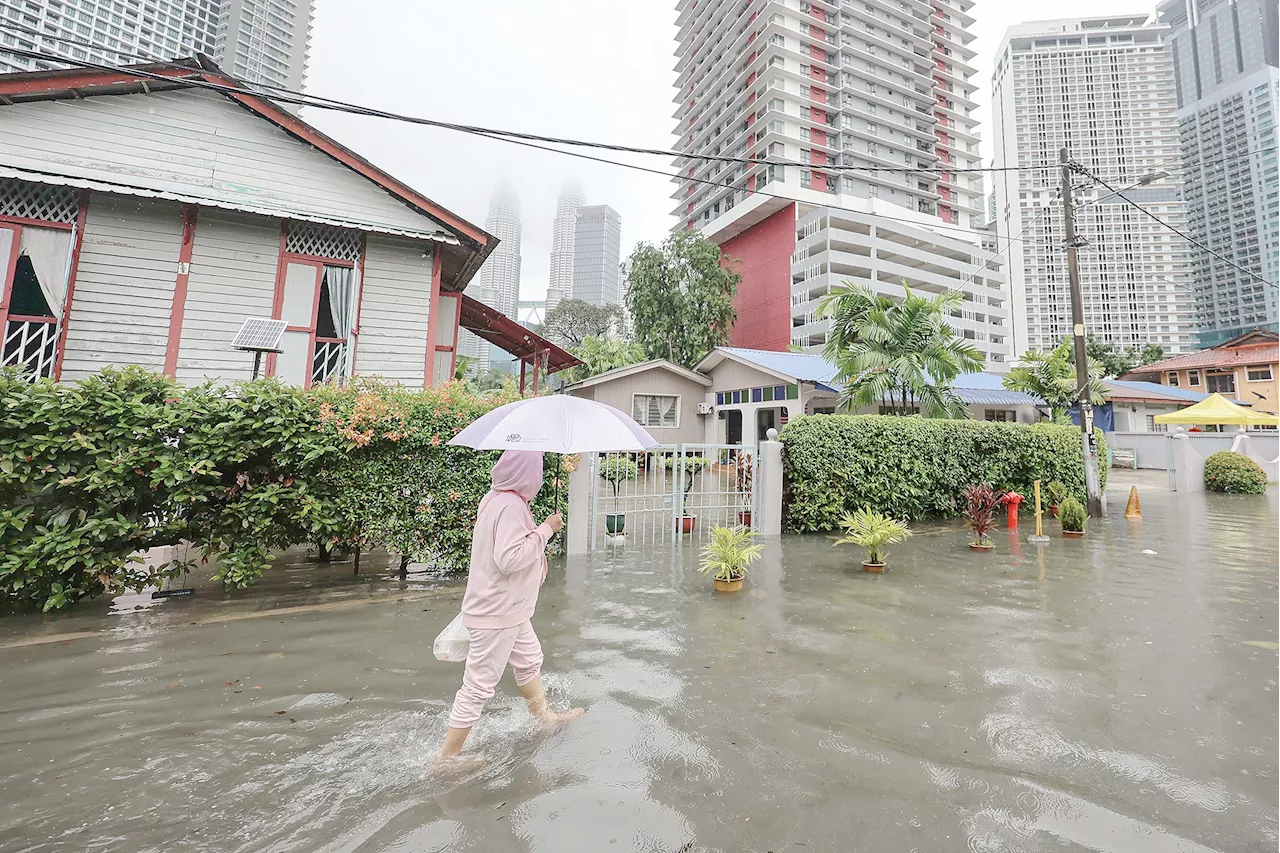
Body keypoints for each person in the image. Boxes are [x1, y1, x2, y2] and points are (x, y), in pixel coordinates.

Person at [439, 449, 584, 759]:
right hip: (498, 612)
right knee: (478, 686)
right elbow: (510, 559)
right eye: (538, 470)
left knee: (529, 658)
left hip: (508, 608)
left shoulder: (495, 497)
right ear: (527, 474)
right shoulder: (511, 506)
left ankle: (544, 718)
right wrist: (546, 529)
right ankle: (448, 759)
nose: (541, 477)